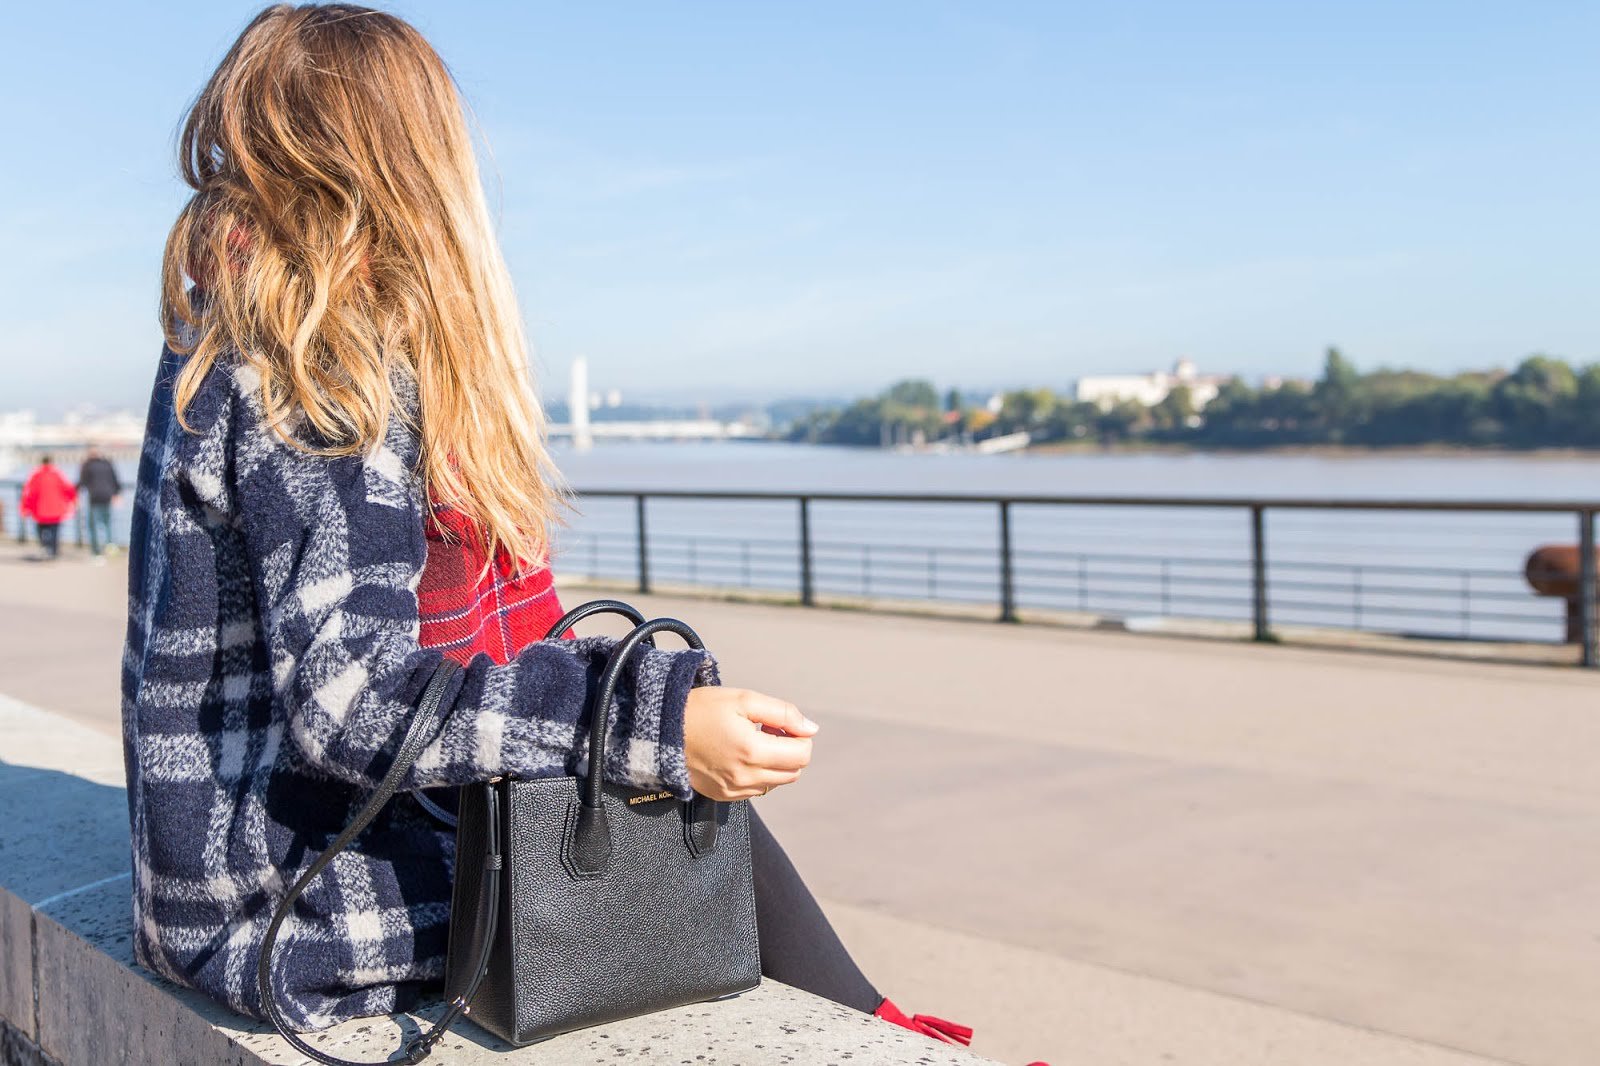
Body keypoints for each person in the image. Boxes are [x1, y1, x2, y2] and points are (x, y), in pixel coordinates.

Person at [124, 3, 984, 1055]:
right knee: (648, 782)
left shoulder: (228, 323)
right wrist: (652, 727)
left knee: (634, 734)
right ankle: (888, 1029)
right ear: (416, 156)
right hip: (291, 908)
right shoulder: (315, 362)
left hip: (224, 867)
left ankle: (880, 1020)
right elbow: (344, 694)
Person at [20, 455, 76, 559]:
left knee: (41, 529)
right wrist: (73, 500)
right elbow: (69, 488)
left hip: (40, 509)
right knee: (55, 530)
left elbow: (29, 492)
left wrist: (25, 507)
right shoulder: (58, 474)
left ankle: (45, 546)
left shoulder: (35, 474)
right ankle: (53, 550)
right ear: (51, 462)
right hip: (56, 509)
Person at [76, 448, 122, 559]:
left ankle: (96, 552)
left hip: (94, 497)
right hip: (107, 496)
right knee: (108, 524)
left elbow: (82, 482)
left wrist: (75, 494)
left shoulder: (87, 465)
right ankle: (111, 548)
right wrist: (116, 494)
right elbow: (115, 479)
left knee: (93, 525)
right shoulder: (107, 464)